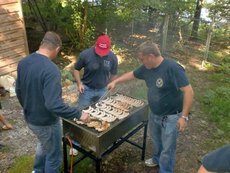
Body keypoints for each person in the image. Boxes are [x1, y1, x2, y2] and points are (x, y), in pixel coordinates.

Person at [107, 41, 194, 173]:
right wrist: (115, 81)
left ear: (151, 56)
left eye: (142, 59)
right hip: (154, 113)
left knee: (168, 148)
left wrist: (184, 117)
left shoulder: (172, 68)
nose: (141, 62)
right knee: (156, 141)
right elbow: (132, 74)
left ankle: (165, 170)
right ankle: (156, 159)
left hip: (172, 116)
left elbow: (189, 91)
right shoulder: (147, 68)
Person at [15, 31, 90, 173]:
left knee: (43, 145)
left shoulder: (24, 62)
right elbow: (53, 104)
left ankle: (37, 170)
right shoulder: (51, 70)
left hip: (31, 119)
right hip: (47, 122)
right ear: (57, 49)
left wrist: (28, 107)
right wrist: (79, 114)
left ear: (42, 44)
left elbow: (19, 91)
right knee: (53, 157)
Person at [73, 34, 118, 110]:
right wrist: (79, 83)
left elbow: (114, 73)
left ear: (109, 47)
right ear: (96, 45)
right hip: (86, 89)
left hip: (103, 90)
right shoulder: (85, 54)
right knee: (82, 112)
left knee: (103, 112)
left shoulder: (112, 58)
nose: (101, 54)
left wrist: (111, 83)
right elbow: (76, 69)